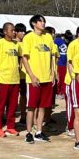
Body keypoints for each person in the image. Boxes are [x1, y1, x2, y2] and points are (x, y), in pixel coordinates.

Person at [21, 15, 56, 144]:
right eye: (40, 21)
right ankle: (29, 132)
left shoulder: (48, 36)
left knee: (43, 107)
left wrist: (53, 74)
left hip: (47, 77)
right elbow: (24, 58)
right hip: (34, 79)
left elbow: (52, 57)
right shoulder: (28, 37)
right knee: (31, 107)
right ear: (34, 23)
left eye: (44, 21)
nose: (43, 23)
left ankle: (39, 131)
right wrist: (31, 75)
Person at [0, 22, 22, 137]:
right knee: (0, 105)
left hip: (15, 79)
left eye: (15, 30)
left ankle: (11, 126)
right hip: (2, 79)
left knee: (12, 105)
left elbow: (21, 56)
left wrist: (20, 65)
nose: (14, 32)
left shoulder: (16, 45)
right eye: (12, 30)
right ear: (5, 31)